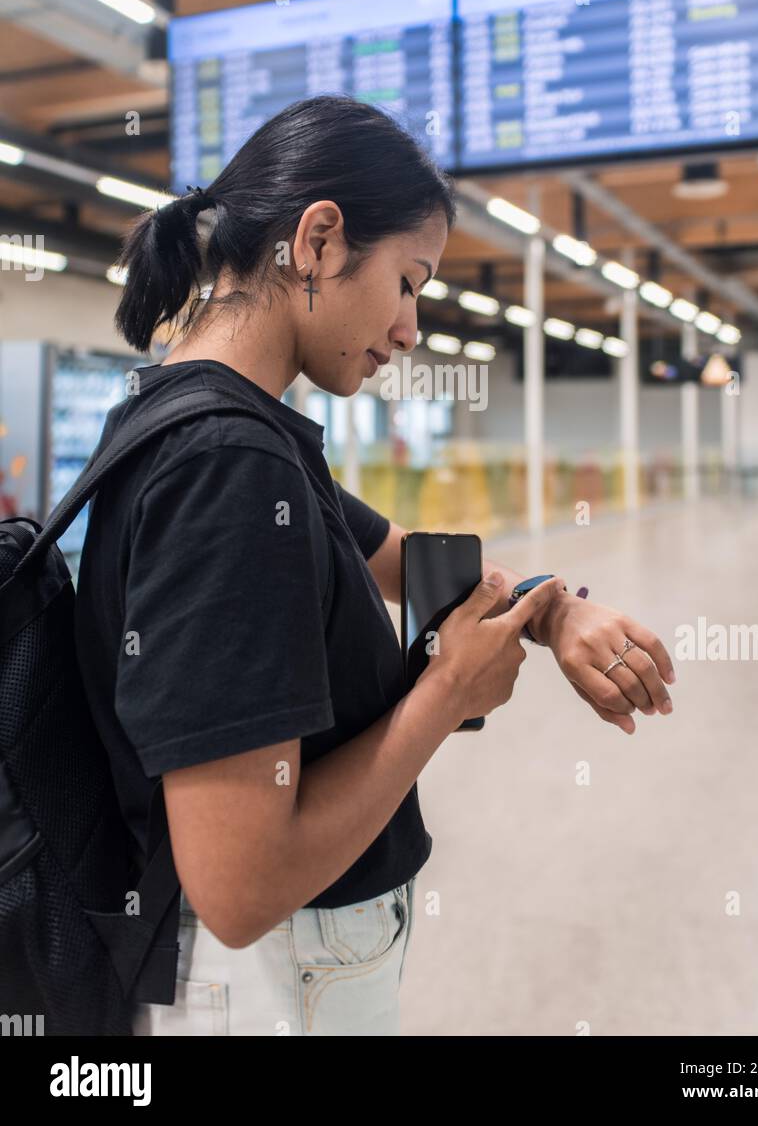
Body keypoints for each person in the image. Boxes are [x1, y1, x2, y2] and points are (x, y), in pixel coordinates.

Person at [74, 94, 675, 1036]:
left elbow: (407, 560)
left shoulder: (202, 422)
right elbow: (238, 888)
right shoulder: (228, 465)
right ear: (316, 241)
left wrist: (554, 613)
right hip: (269, 986)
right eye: (407, 280)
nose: (410, 328)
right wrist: (444, 693)